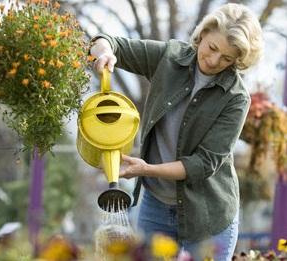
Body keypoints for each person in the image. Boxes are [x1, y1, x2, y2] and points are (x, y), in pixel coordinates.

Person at [90, 3, 263, 260]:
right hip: (156, 207)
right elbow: (108, 42)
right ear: (203, 33)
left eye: (227, 58)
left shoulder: (236, 98)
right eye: (212, 48)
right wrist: (105, 53)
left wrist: (146, 169)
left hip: (208, 216)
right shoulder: (168, 58)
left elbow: (203, 164)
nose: (214, 61)